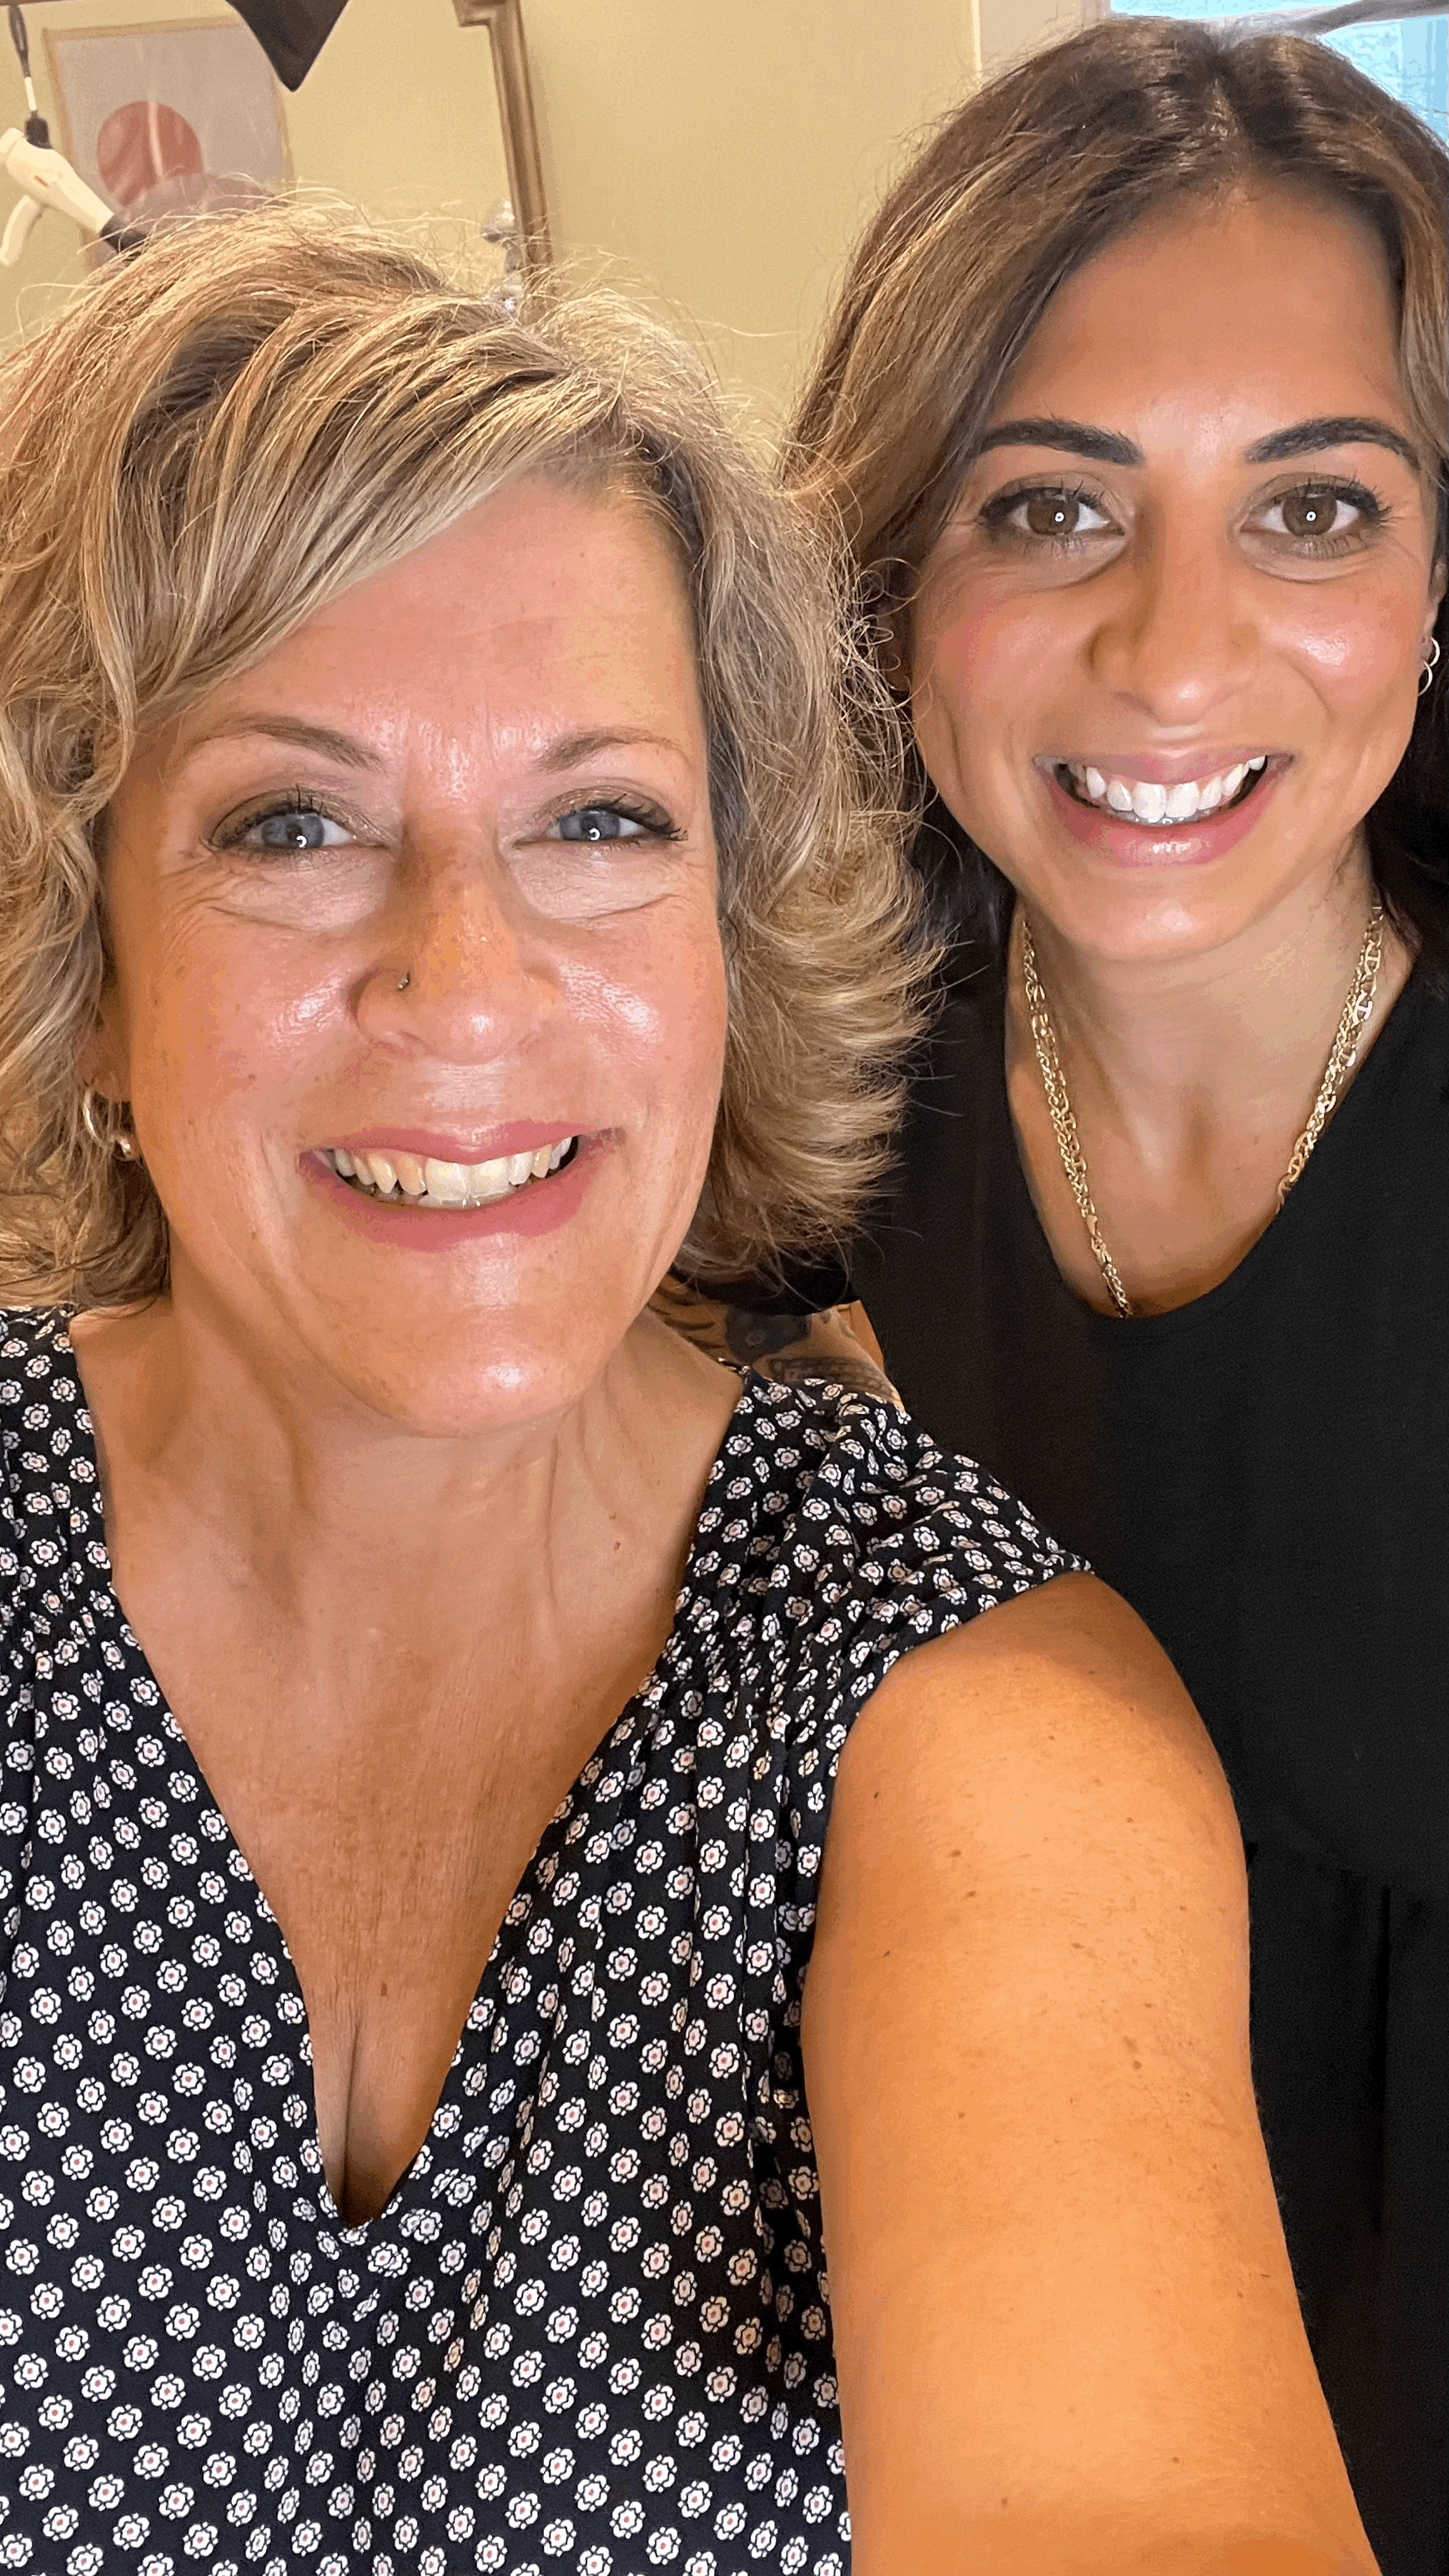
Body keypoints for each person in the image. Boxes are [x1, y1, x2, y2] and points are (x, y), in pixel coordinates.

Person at [0, 202, 1379, 2576]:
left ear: (733, 939)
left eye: (600, 819)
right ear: (82, 946)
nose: (465, 977)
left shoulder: (959, 1711)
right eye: (292, 823)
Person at [667, 22, 1447, 2575]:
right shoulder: (831, 1064)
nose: (1176, 651)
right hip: (1008, 2350)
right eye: (1052, 507)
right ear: (900, 569)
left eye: (1315, 508)